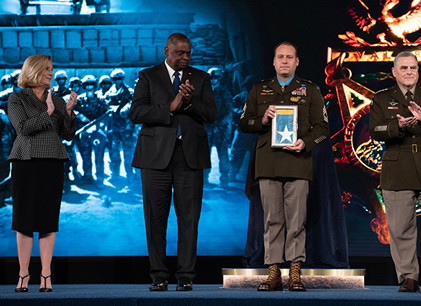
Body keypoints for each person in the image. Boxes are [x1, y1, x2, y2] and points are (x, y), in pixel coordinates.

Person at [129, 33, 217, 291]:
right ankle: (159, 275)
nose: (186, 58)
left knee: (189, 219)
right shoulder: (148, 76)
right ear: (166, 50)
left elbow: (212, 114)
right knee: (155, 219)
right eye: (180, 53)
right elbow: (136, 112)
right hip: (154, 157)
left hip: (189, 157)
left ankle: (186, 276)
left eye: (189, 53)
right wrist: (171, 106)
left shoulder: (201, 78)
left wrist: (189, 104)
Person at [239, 41, 329, 291]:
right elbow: (244, 124)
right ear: (274, 61)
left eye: (290, 57)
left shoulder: (309, 90)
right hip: (268, 164)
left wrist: (306, 143)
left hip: (298, 163)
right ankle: (273, 272)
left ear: (297, 61)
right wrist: (263, 119)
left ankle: (296, 272)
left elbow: (323, 128)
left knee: (297, 220)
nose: (285, 61)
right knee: (272, 220)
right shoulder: (259, 89)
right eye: (280, 57)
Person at [369, 51, 421, 293]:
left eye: (413, 68)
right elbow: (375, 130)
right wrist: (398, 126)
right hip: (398, 169)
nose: (409, 72)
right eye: (404, 68)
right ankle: (408, 278)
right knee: (400, 228)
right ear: (394, 72)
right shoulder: (381, 98)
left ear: (418, 71)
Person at [7, 54, 77, 292]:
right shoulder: (16, 99)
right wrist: (47, 113)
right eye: (47, 68)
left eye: (52, 68)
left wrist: (67, 112)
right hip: (26, 162)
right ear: (34, 71)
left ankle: (46, 275)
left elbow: (67, 135)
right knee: (24, 221)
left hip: (52, 163)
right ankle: (24, 275)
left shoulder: (56, 99)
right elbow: (23, 129)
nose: (51, 72)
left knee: (48, 221)